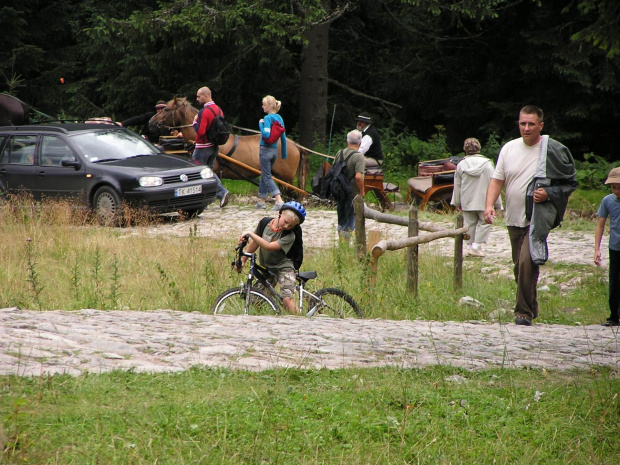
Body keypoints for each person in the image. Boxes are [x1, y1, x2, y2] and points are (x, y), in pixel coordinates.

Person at [484, 105, 577, 326]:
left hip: (537, 218)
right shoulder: (508, 148)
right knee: (520, 265)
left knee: (527, 261)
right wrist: (489, 205)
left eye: (531, 124)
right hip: (513, 218)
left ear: (540, 126)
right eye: (522, 123)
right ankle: (532, 305)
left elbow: (570, 183)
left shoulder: (552, 150)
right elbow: (498, 180)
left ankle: (523, 313)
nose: (526, 128)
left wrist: (549, 193)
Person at [239, 201, 306, 314]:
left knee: (286, 299)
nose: (286, 226)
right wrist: (243, 260)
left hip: (284, 268)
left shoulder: (290, 235)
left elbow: (268, 246)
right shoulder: (265, 223)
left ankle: (300, 321)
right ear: (281, 213)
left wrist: (250, 233)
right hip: (268, 267)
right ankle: (264, 317)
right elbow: (255, 243)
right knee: (254, 298)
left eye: (291, 225)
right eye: (285, 222)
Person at [451, 138, 502, 257]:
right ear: (479, 148)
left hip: (467, 200)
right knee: (486, 223)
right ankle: (476, 246)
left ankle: (469, 246)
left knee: (469, 224)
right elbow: (494, 183)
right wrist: (497, 204)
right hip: (484, 200)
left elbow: (457, 185)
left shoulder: (461, 164)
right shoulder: (488, 164)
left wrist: (457, 202)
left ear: (465, 149)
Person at [192, 86, 230, 208]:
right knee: (207, 173)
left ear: (206, 96)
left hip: (203, 147)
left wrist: (194, 123)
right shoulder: (218, 109)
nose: (197, 99)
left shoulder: (204, 112)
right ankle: (206, 201)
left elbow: (201, 131)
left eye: (199, 96)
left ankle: (222, 192)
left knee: (200, 172)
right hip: (214, 146)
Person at [594, 167, 620, 327]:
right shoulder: (608, 201)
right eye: (614, 187)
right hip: (615, 246)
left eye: (619, 187)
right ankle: (614, 316)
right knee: (614, 281)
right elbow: (600, 225)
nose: (617, 190)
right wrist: (597, 249)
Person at [256, 95, 287, 210]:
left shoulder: (268, 118)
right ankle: (261, 201)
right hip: (275, 151)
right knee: (265, 175)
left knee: (267, 176)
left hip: (265, 150)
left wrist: (261, 124)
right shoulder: (279, 118)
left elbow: (266, 134)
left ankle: (279, 201)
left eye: (264, 105)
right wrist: (284, 153)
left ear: (269, 106)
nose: (262, 107)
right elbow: (283, 137)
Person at [335, 129, 365, 239]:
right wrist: (361, 191)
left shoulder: (340, 153)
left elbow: (334, 171)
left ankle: (340, 244)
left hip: (339, 191)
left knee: (341, 219)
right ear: (360, 143)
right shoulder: (359, 156)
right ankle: (345, 247)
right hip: (352, 193)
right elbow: (358, 176)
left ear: (347, 141)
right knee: (349, 222)